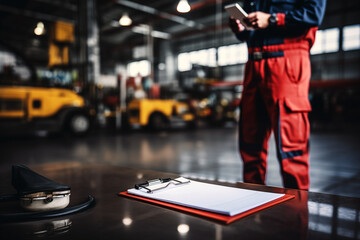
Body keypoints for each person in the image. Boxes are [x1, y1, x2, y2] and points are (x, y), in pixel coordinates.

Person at [228, 0, 326, 190]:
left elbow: (314, 14)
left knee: (292, 149)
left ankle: (296, 214)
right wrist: (242, 29)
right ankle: (250, 206)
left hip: (287, 60)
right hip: (253, 63)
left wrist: (272, 19)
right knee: (250, 145)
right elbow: (254, 31)